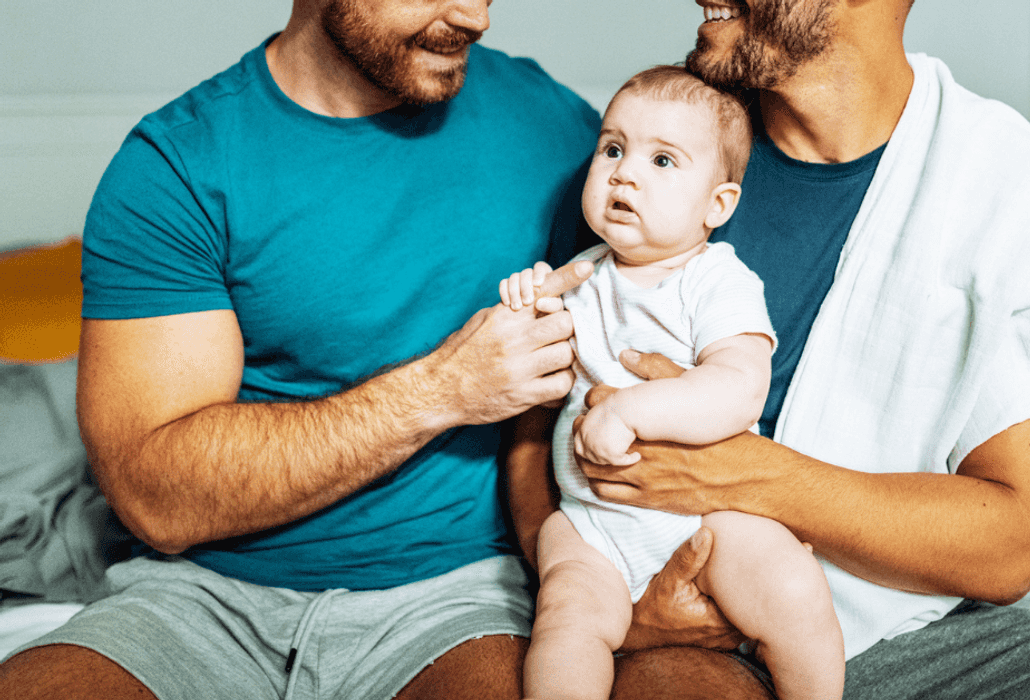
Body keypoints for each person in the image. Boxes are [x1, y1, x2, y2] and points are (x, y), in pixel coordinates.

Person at [507, 0, 1030, 698]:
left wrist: (746, 475)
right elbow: (535, 427)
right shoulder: (656, 143)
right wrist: (602, 599)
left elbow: (1010, 547)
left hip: (931, 616)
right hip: (671, 593)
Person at [0, 1, 606, 698]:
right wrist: (442, 390)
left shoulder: (554, 129)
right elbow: (155, 499)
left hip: (458, 595)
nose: (474, 16)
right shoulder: (179, 164)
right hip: (198, 594)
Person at [500, 66, 844, 700]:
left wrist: (629, 412)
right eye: (612, 149)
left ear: (718, 205)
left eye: (662, 160)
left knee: (793, 588)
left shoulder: (717, 282)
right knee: (566, 622)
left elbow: (739, 386)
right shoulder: (580, 277)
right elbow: (532, 371)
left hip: (709, 517)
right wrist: (528, 306)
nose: (624, 174)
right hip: (592, 526)